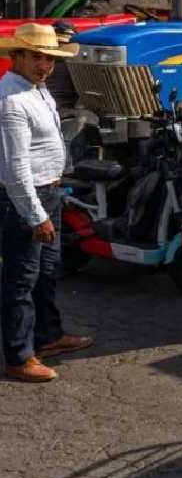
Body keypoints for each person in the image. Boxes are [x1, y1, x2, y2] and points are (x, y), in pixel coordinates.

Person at [0, 23, 94, 382]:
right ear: (17, 57)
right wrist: (36, 214)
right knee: (22, 278)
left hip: (48, 192)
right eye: (37, 57)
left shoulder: (37, 91)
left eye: (50, 59)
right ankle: (19, 355)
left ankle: (48, 336)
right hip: (27, 198)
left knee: (46, 272)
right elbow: (15, 169)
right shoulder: (12, 101)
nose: (45, 66)